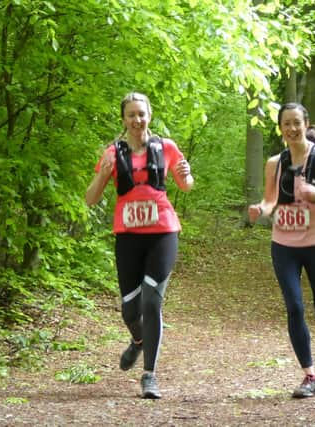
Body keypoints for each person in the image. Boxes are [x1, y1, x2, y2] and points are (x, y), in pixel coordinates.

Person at [85, 92, 194, 399]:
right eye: (131, 115)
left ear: (150, 115)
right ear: (124, 119)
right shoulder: (112, 153)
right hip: (128, 237)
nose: (137, 120)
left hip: (163, 233)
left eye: (141, 114)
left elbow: (186, 185)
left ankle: (149, 375)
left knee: (151, 302)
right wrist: (104, 173)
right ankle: (138, 341)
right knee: (130, 311)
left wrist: (187, 177)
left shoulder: (167, 147)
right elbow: (91, 199)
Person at [248, 102, 315, 398]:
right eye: (286, 124)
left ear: (306, 124)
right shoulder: (274, 163)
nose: (292, 129)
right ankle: (310, 375)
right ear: (280, 129)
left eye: (296, 123)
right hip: (284, 245)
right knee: (294, 307)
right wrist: (261, 210)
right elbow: (270, 200)